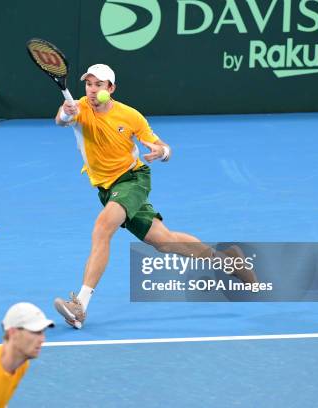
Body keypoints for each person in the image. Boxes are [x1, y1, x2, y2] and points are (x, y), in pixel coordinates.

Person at [53, 64, 257, 329]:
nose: (92, 90)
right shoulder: (78, 107)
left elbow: (164, 148)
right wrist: (65, 113)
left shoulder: (130, 116)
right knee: (165, 242)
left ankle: (79, 305)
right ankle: (227, 260)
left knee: (102, 228)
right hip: (106, 189)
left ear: (110, 89)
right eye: (89, 84)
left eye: (99, 85)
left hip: (132, 180)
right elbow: (62, 119)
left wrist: (161, 152)